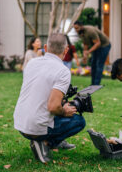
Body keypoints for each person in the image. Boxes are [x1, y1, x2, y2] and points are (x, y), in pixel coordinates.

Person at [13, 33, 86, 164]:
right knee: (79, 121)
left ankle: (54, 141)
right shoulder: (63, 71)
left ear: (45, 48)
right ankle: (45, 143)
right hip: (36, 127)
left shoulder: (32, 63)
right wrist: (64, 111)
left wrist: (61, 104)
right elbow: (53, 107)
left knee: (58, 110)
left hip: (20, 123)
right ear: (66, 50)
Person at [74, 21, 111, 85]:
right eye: (75, 28)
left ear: (81, 26)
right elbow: (85, 44)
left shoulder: (90, 31)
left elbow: (98, 43)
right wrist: (85, 55)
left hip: (104, 46)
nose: (76, 30)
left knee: (99, 64)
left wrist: (88, 52)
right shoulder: (80, 33)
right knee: (93, 64)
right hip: (96, 46)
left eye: (77, 28)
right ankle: (93, 83)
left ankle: (96, 84)